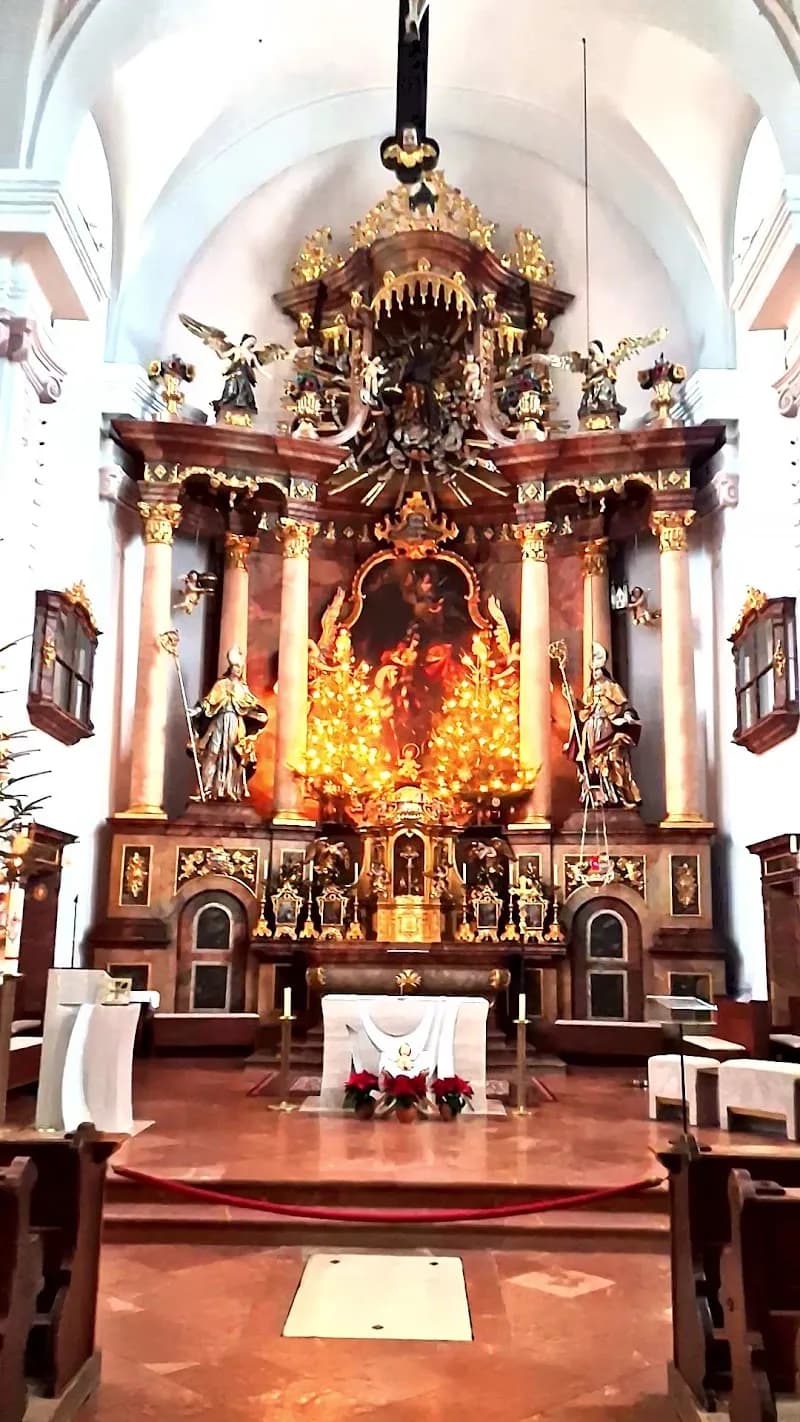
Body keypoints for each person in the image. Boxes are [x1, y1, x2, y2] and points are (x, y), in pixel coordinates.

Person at [566, 644, 642, 809]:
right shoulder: (590, 690)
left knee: (610, 759)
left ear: (603, 670)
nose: (595, 673)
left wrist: (627, 716)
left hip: (607, 727)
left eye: (598, 669)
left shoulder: (613, 688)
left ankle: (615, 796)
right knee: (591, 760)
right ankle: (596, 798)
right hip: (591, 727)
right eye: (593, 670)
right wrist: (571, 699)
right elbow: (582, 709)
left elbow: (624, 707)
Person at [190, 648, 268, 801]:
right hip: (219, 723)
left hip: (235, 725)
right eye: (235, 667)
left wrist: (260, 716)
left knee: (233, 754)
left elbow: (250, 708)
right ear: (230, 668)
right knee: (213, 752)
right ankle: (206, 789)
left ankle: (230, 789)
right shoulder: (221, 684)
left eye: (240, 668)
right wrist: (196, 711)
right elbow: (208, 702)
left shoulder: (243, 689)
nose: (238, 670)